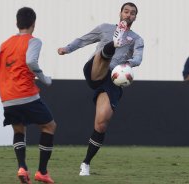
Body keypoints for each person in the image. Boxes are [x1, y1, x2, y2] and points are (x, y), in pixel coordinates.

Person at [58, 2, 144, 176]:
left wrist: (128, 64)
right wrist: (67, 49)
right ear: (120, 13)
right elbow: (83, 40)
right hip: (95, 69)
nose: (128, 15)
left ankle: (86, 163)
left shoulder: (137, 39)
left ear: (135, 17)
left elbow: (138, 58)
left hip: (113, 80)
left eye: (132, 13)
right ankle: (114, 43)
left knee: (101, 123)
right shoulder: (105, 28)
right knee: (103, 56)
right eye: (126, 11)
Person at [0, 7, 56, 184]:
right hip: (26, 93)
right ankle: (42, 172)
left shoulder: (5, 44)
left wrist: (7, 78)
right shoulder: (34, 41)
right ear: (34, 23)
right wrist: (44, 78)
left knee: (19, 129)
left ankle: (22, 167)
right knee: (49, 126)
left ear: (17, 23)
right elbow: (31, 61)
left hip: (7, 97)